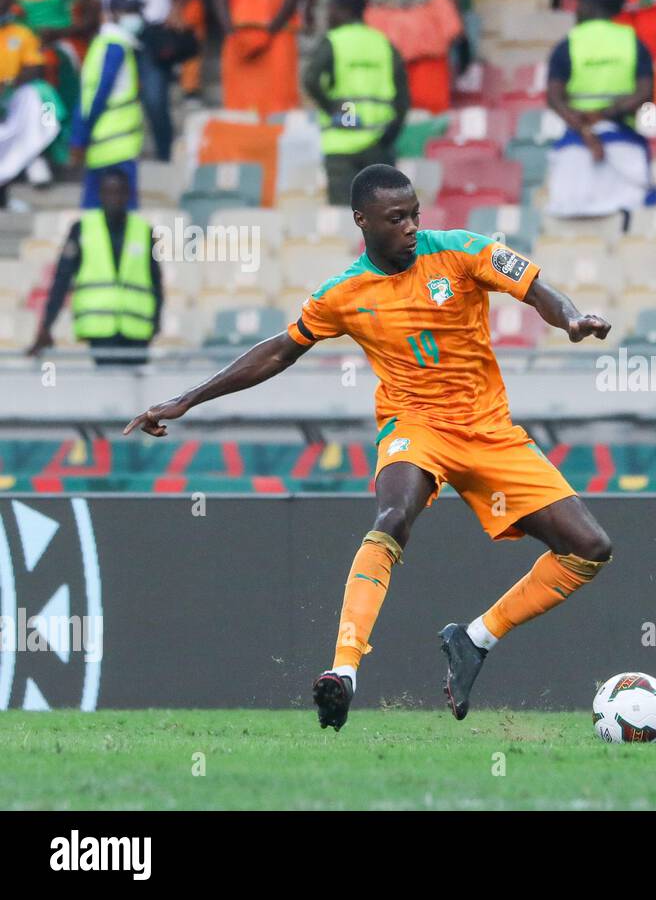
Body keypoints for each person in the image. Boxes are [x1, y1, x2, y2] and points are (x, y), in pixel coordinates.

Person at [123, 163, 615, 731]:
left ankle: (475, 640)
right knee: (392, 515)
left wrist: (571, 318)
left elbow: (536, 289)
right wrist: (186, 399)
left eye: (414, 215)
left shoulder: (461, 251)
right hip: (415, 426)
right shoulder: (343, 294)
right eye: (395, 217)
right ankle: (344, 670)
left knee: (589, 548)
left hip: (488, 429)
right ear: (363, 221)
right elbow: (279, 351)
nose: (410, 227)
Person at [26, 167, 162, 366]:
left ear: (128, 195)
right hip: (99, 326)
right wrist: (46, 326)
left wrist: (156, 323)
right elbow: (61, 280)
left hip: (138, 328)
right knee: (108, 390)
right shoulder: (82, 229)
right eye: (109, 192)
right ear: (100, 194)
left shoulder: (144, 231)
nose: (114, 198)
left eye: (119, 192)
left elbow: (156, 283)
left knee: (135, 392)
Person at [544, 0, 653, 218]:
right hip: (624, 147)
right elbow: (645, 94)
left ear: (590, 6)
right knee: (626, 221)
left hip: (578, 147)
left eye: (581, 3)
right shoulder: (632, 41)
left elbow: (554, 97)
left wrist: (585, 129)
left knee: (568, 222)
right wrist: (606, 114)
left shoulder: (569, 43)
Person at [303, 0, 409, 206]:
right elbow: (403, 98)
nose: (328, 16)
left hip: (341, 146)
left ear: (343, 11)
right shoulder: (383, 43)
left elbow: (310, 79)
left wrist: (331, 107)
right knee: (383, 218)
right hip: (378, 145)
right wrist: (388, 137)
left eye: (331, 10)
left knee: (346, 217)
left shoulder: (333, 41)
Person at [84, 0, 191, 161]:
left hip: (150, 34)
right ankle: (116, 153)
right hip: (115, 38)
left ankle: (164, 155)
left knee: (154, 98)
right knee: (111, 95)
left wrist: (178, 9)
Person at [345, 0, 461, 115]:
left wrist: (455, 26)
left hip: (426, 27)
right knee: (386, 103)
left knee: (431, 103)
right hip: (385, 24)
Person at [211, 0, 309, 116]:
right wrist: (230, 32)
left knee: (280, 103)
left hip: (279, 33)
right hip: (239, 35)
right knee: (239, 107)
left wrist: (271, 29)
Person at [70, 0, 143, 209]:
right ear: (111, 14)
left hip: (106, 144)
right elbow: (96, 96)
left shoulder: (107, 44)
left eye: (135, 10)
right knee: (120, 217)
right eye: (127, 11)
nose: (135, 17)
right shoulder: (115, 47)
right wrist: (79, 138)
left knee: (95, 218)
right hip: (116, 144)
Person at [0, 0, 60, 204]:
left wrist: (9, 83)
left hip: (11, 98)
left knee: (42, 95)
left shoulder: (22, 33)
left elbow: (37, 68)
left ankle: (39, 153)